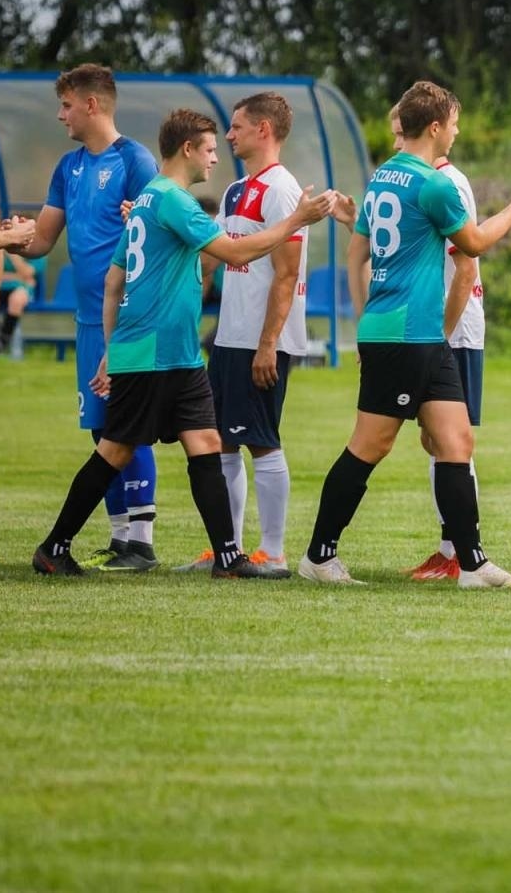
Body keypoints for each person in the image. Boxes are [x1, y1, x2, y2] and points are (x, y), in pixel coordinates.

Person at [32, 108, 332, 577]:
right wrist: (297, 218)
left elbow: (113, 282)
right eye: (209, 149)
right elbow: (235, 251)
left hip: (175, 354)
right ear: (187, 149)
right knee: (115, 451)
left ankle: (228, 558)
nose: (215, 157)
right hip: (152, 353)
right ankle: (54, 546)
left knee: (207, 442)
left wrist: (112, 347)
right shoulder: (173, 200)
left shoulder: (149, 200)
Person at [304, 81, 511, 589]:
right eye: (453, 124)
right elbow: (473, 244)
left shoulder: (382, 178)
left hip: (418, 334)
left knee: (456, 440)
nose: (455, 132)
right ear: (435, 127)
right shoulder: (433, 184)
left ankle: (473, 566)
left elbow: (359, 251)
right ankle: (319, 556)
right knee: (370, 445)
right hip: (405, 334)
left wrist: (365, 318)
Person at [17, 64, 161, 570]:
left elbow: (160, 231)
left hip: (126, 317)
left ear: (91, 104)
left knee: (127, 426)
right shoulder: (68, 167)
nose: (61, 115)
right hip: (86, 319)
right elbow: (41, 241)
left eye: (66, 105)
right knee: (101, 430)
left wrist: (140, 220)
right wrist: (9, 238)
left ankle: (141, 541)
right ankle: (120, 537)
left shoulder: (134, 160)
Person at [400, 98, 511, 579]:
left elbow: (466, 267)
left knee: (451, 440)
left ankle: (458, 551)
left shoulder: (449, 182)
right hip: (434, 329)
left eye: (400, 132)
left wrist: (440, 336)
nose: (397, 141)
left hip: (454, 330)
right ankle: (452, 548)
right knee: (435, 439)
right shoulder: (420, 180)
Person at [178, 93, 309, 571]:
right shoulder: (236, 190)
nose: (229, 135)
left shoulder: (282, 190)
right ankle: (227, 548)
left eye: (236, 127)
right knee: (222, 439)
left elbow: (287, 274)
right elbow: (212, 253)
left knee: (261, 439)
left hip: (260, 340)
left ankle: (273, 552)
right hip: (230, 336)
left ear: (263, 130)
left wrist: (268, 344)